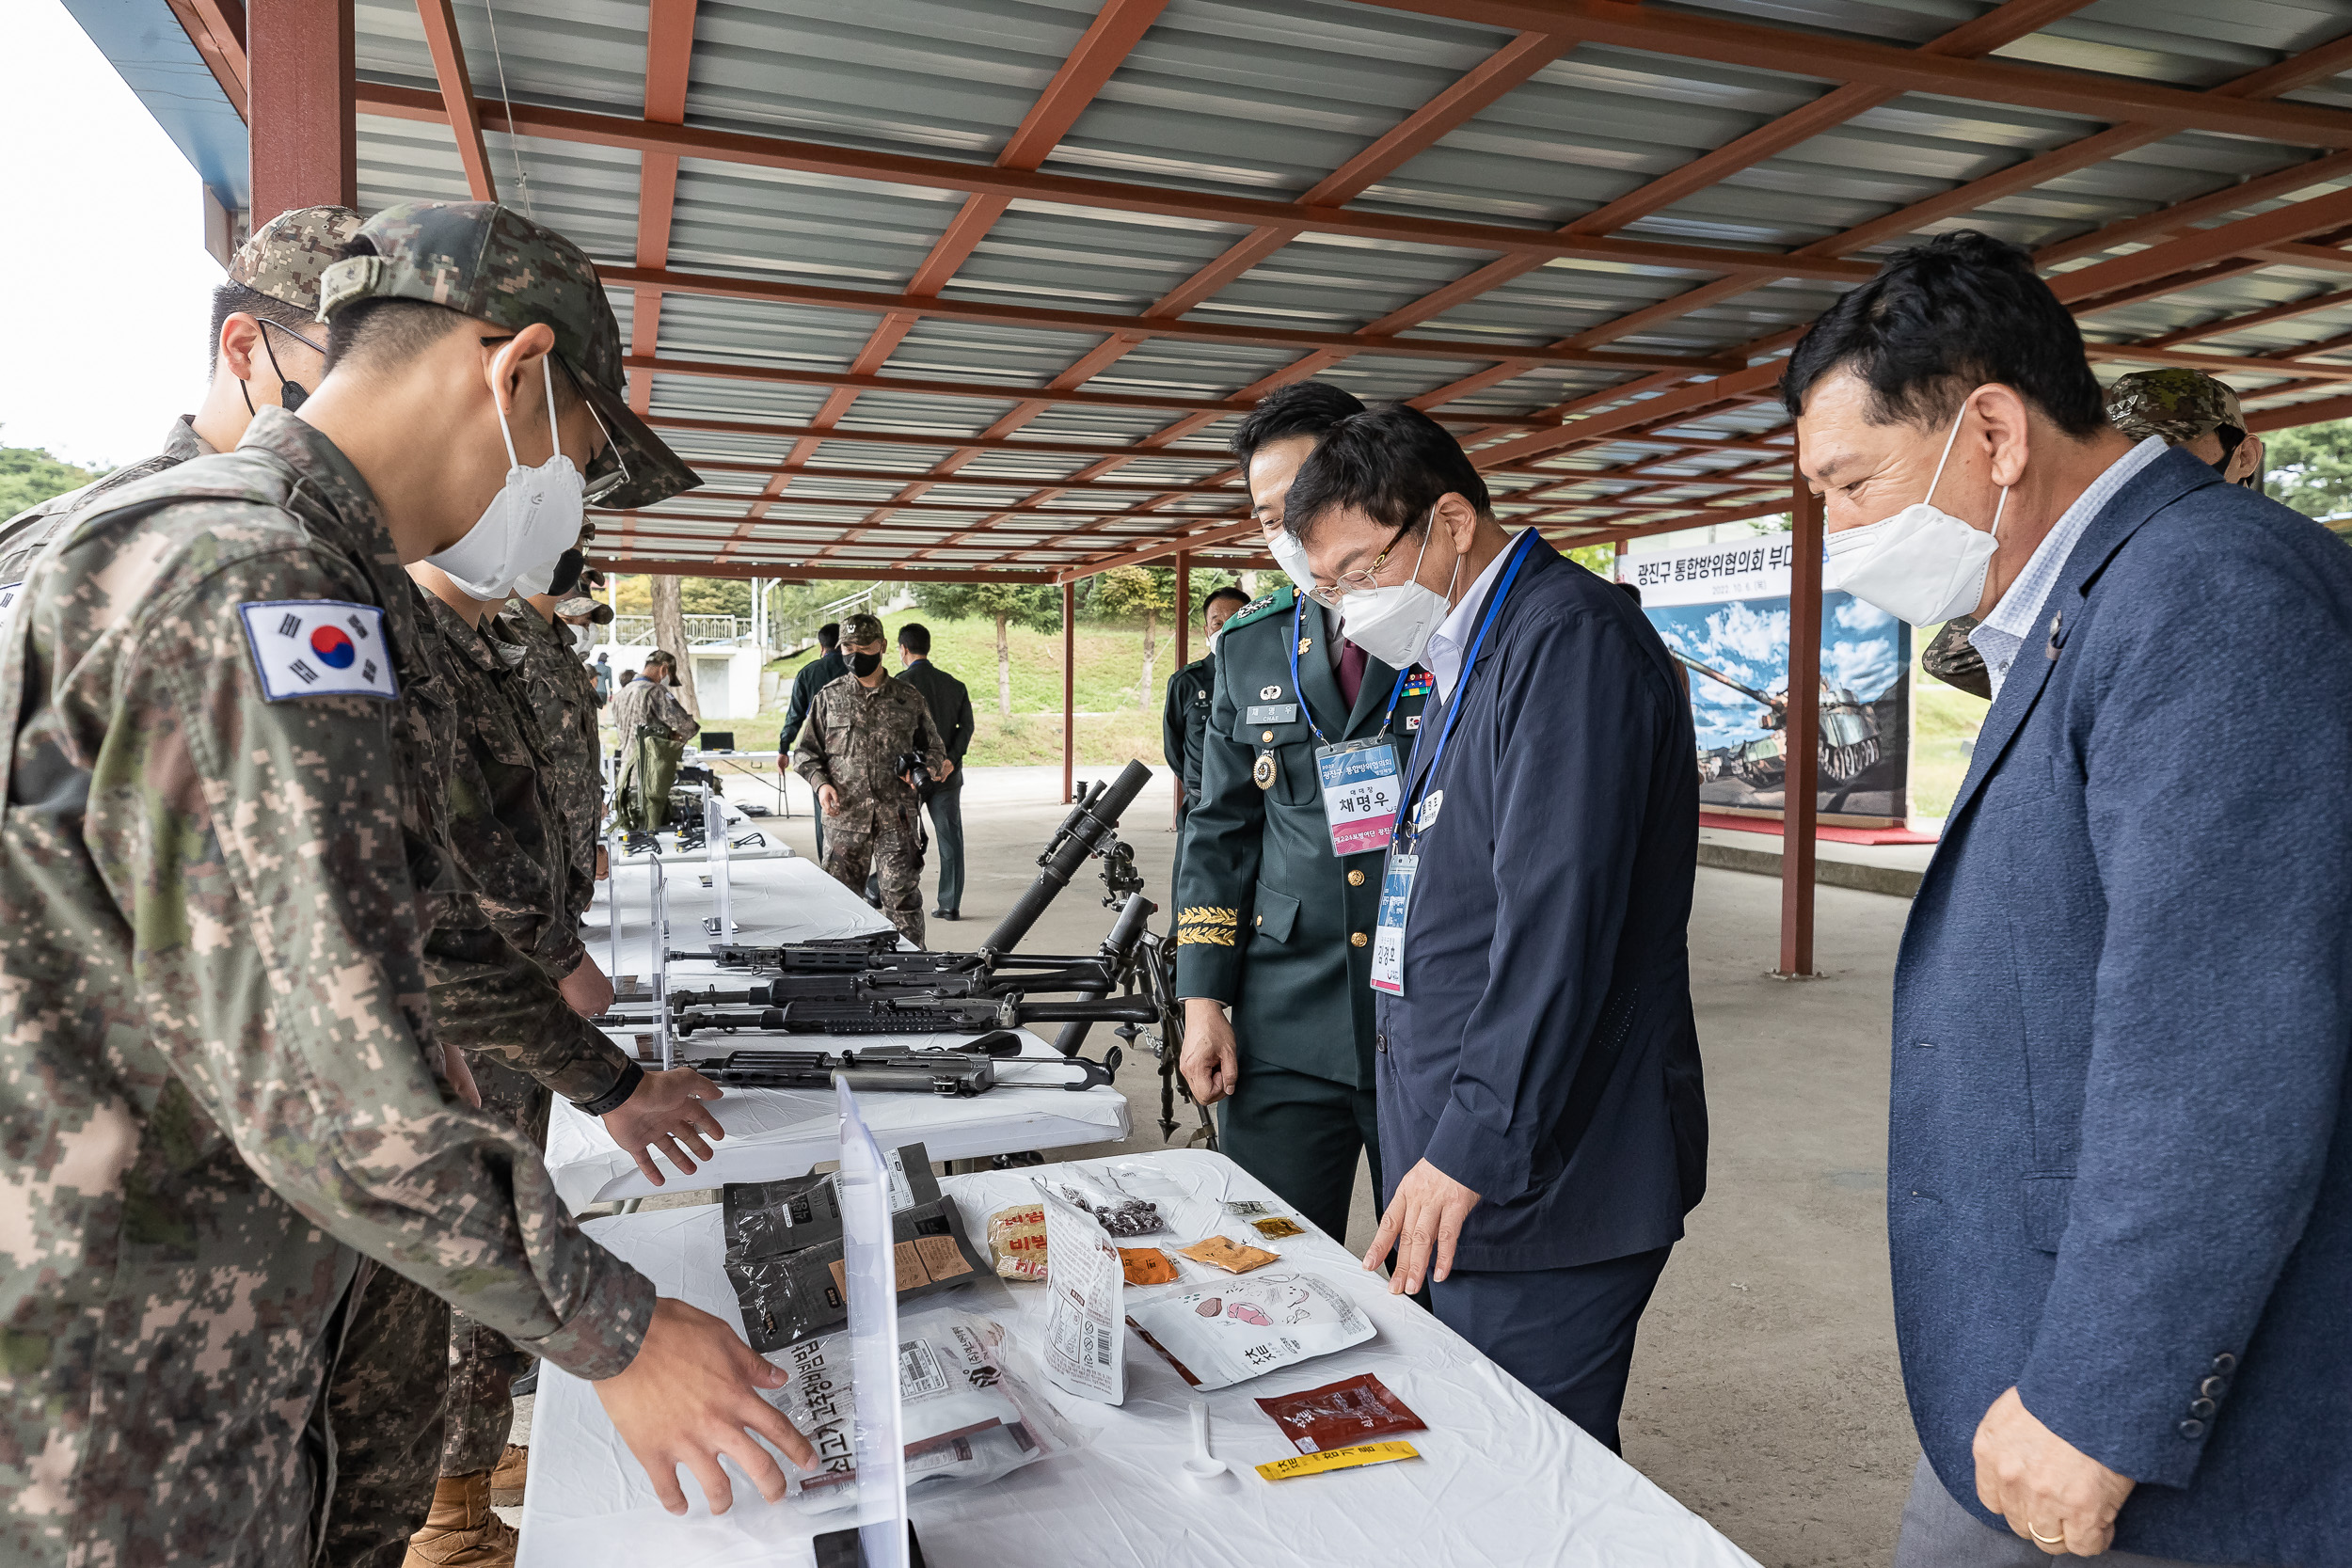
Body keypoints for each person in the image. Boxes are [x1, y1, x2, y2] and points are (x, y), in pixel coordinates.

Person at [0, 198, 813, 1568]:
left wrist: (604, 1081)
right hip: (119, 1365)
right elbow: (320, 1058)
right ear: (513, 373)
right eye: (580, 455)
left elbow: (414, 917)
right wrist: (609, 1325)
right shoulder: (255, 578)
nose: (563, 503)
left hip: (187, 1306)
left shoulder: (245, 554)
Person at [1784, 230, 2352, 1566]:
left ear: (1990, 431)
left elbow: (2221, 1049)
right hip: (2025, 1347)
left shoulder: (2211, 595)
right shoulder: (2084, 599)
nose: (1839, 531)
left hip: (2147, 1423)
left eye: (1851, 482)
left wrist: (2104, 1399)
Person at [1284, 404, 1707, 1453]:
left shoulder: (1569, 642)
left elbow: (1556, 924)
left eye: (1358, 569)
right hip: (1465, 1157)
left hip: (1540, 1173)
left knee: (1529, 1470)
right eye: (1326, 587)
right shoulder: (1465, 647)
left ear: (1450, 520)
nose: (1347, 610)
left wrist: (1467, 1142)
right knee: (1465, 1448)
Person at [1174, 380, 1438, 1245]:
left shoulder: (1445, 633)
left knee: (1440, 1289)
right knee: (1269, 1264)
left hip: (1432, 1024)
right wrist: (1203, 999)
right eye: (1264, 517)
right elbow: (1217, 831)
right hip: (1286, 1021)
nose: (1288, 533)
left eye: (1305, 502)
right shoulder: (1249, 647)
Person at [0, 204, 361, 614]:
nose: (374, 395)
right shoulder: (82, 546)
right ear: (243, 349)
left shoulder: (365, 545)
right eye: (352, 362)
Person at [1922, 366, 2266, 700]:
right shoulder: (2107, 546)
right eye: (2132, 452)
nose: (2149, 466)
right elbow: (1954, 658)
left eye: (2172, 448)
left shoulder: (2274, 557)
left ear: (2245, 456)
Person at [792, 612, 951, 944]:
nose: (854, 653)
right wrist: (821, 784)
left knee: (903, 902)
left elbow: (935, 749)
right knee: (839, 904)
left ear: (881, 646)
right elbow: (804, 753)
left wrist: (928, 768)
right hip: (843, 821)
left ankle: (909, 975)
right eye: (848, 646)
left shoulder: (908, 698)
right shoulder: (829, 697)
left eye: (864, 646)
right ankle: (839, 977)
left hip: (897, 820)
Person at [1160, 583, 1249, 895]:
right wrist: (1200, 781)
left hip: (1258, 802)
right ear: (1206, 629)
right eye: (1217, 622)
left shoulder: (1272, 676)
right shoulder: (1187, 682)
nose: (1226, 628)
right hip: (1201, 803)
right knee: (1193, 890)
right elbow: (1174, 748)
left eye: (1237, 618)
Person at [894, 622, 975, 921]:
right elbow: (966, 726)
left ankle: (882, 891)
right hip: (947, 777)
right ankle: (950, 904)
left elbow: (896, 734)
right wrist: (950, 760)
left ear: (903, 649)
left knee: (901, 837)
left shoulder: (899, 685)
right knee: (950, 839)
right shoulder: (954, 685)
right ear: (927, 647)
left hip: (911, 779)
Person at [779, 621, 849, 862]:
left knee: (825, 810)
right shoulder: (858, 671)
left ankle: (828, 864)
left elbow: (795, 717)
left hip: (821, 755)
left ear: (822, 646)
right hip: (854, 753)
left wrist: (783, 749)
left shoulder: (808, 673)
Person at [612, 648, 698, 837]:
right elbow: (687, 726)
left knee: (632, 840)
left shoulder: (621, 694)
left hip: (625, 778)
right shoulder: (655, 691)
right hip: (650, 778)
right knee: (653, 840)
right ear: (663, 670)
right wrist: (676, 736)